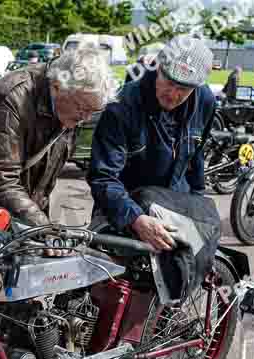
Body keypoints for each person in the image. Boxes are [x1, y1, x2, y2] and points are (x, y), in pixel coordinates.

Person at [0, 47, 114, 227]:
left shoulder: (68, 104)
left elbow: (43, 183)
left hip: (23, 215)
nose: (85, 118)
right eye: (82, 108)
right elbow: (2, 178)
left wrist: (42, 227)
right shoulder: (13, 97)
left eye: (93, 111)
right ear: (57, 87)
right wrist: (42, 226)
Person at [87, 36, 216, 252]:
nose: (173, 94)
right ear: (158, 68)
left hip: (176, 206)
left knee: (187, 271)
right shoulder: (122, 105)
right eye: (170, 82)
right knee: (112, 280)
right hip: (124, 207)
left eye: (183, 89)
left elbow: (197, 160)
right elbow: (103, 176)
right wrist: (135, 218)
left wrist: (196, 206)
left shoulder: (205, 101)